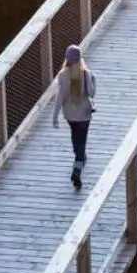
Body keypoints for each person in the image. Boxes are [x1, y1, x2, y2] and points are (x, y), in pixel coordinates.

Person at [50, 43, 96, 189]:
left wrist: (55, 116)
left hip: (69, 115)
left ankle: (80, 158)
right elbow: (92, 93)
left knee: (76, 141)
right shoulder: (85, 73)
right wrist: (94, 81)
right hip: (84, 114)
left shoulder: (63, 75)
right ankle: (77, 168)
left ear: (67, 59)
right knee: (82, 142)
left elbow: (60, 97)